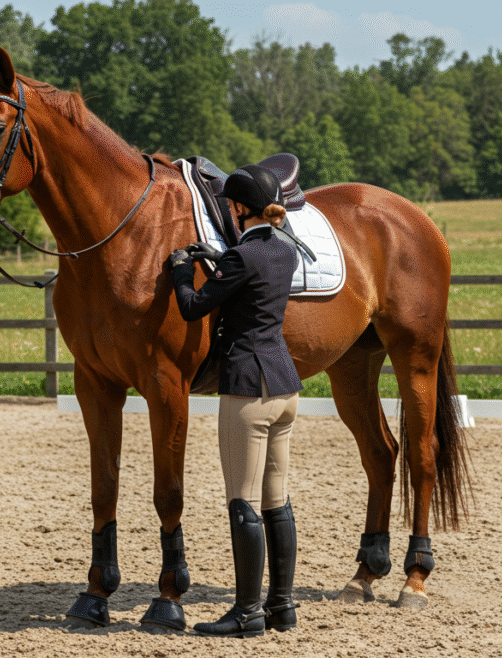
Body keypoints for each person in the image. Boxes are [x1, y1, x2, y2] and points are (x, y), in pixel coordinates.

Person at [166, 164, 302, 638]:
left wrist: (184, 270)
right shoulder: (284, 251)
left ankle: (247, 613)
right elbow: (251, 267)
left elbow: (192, 307)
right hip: (286, 388)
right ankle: (281, 606)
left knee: (241, 501)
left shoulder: (240, 259)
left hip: (247, 390)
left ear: (239, 208)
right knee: (277, 501)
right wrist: (221, 255)